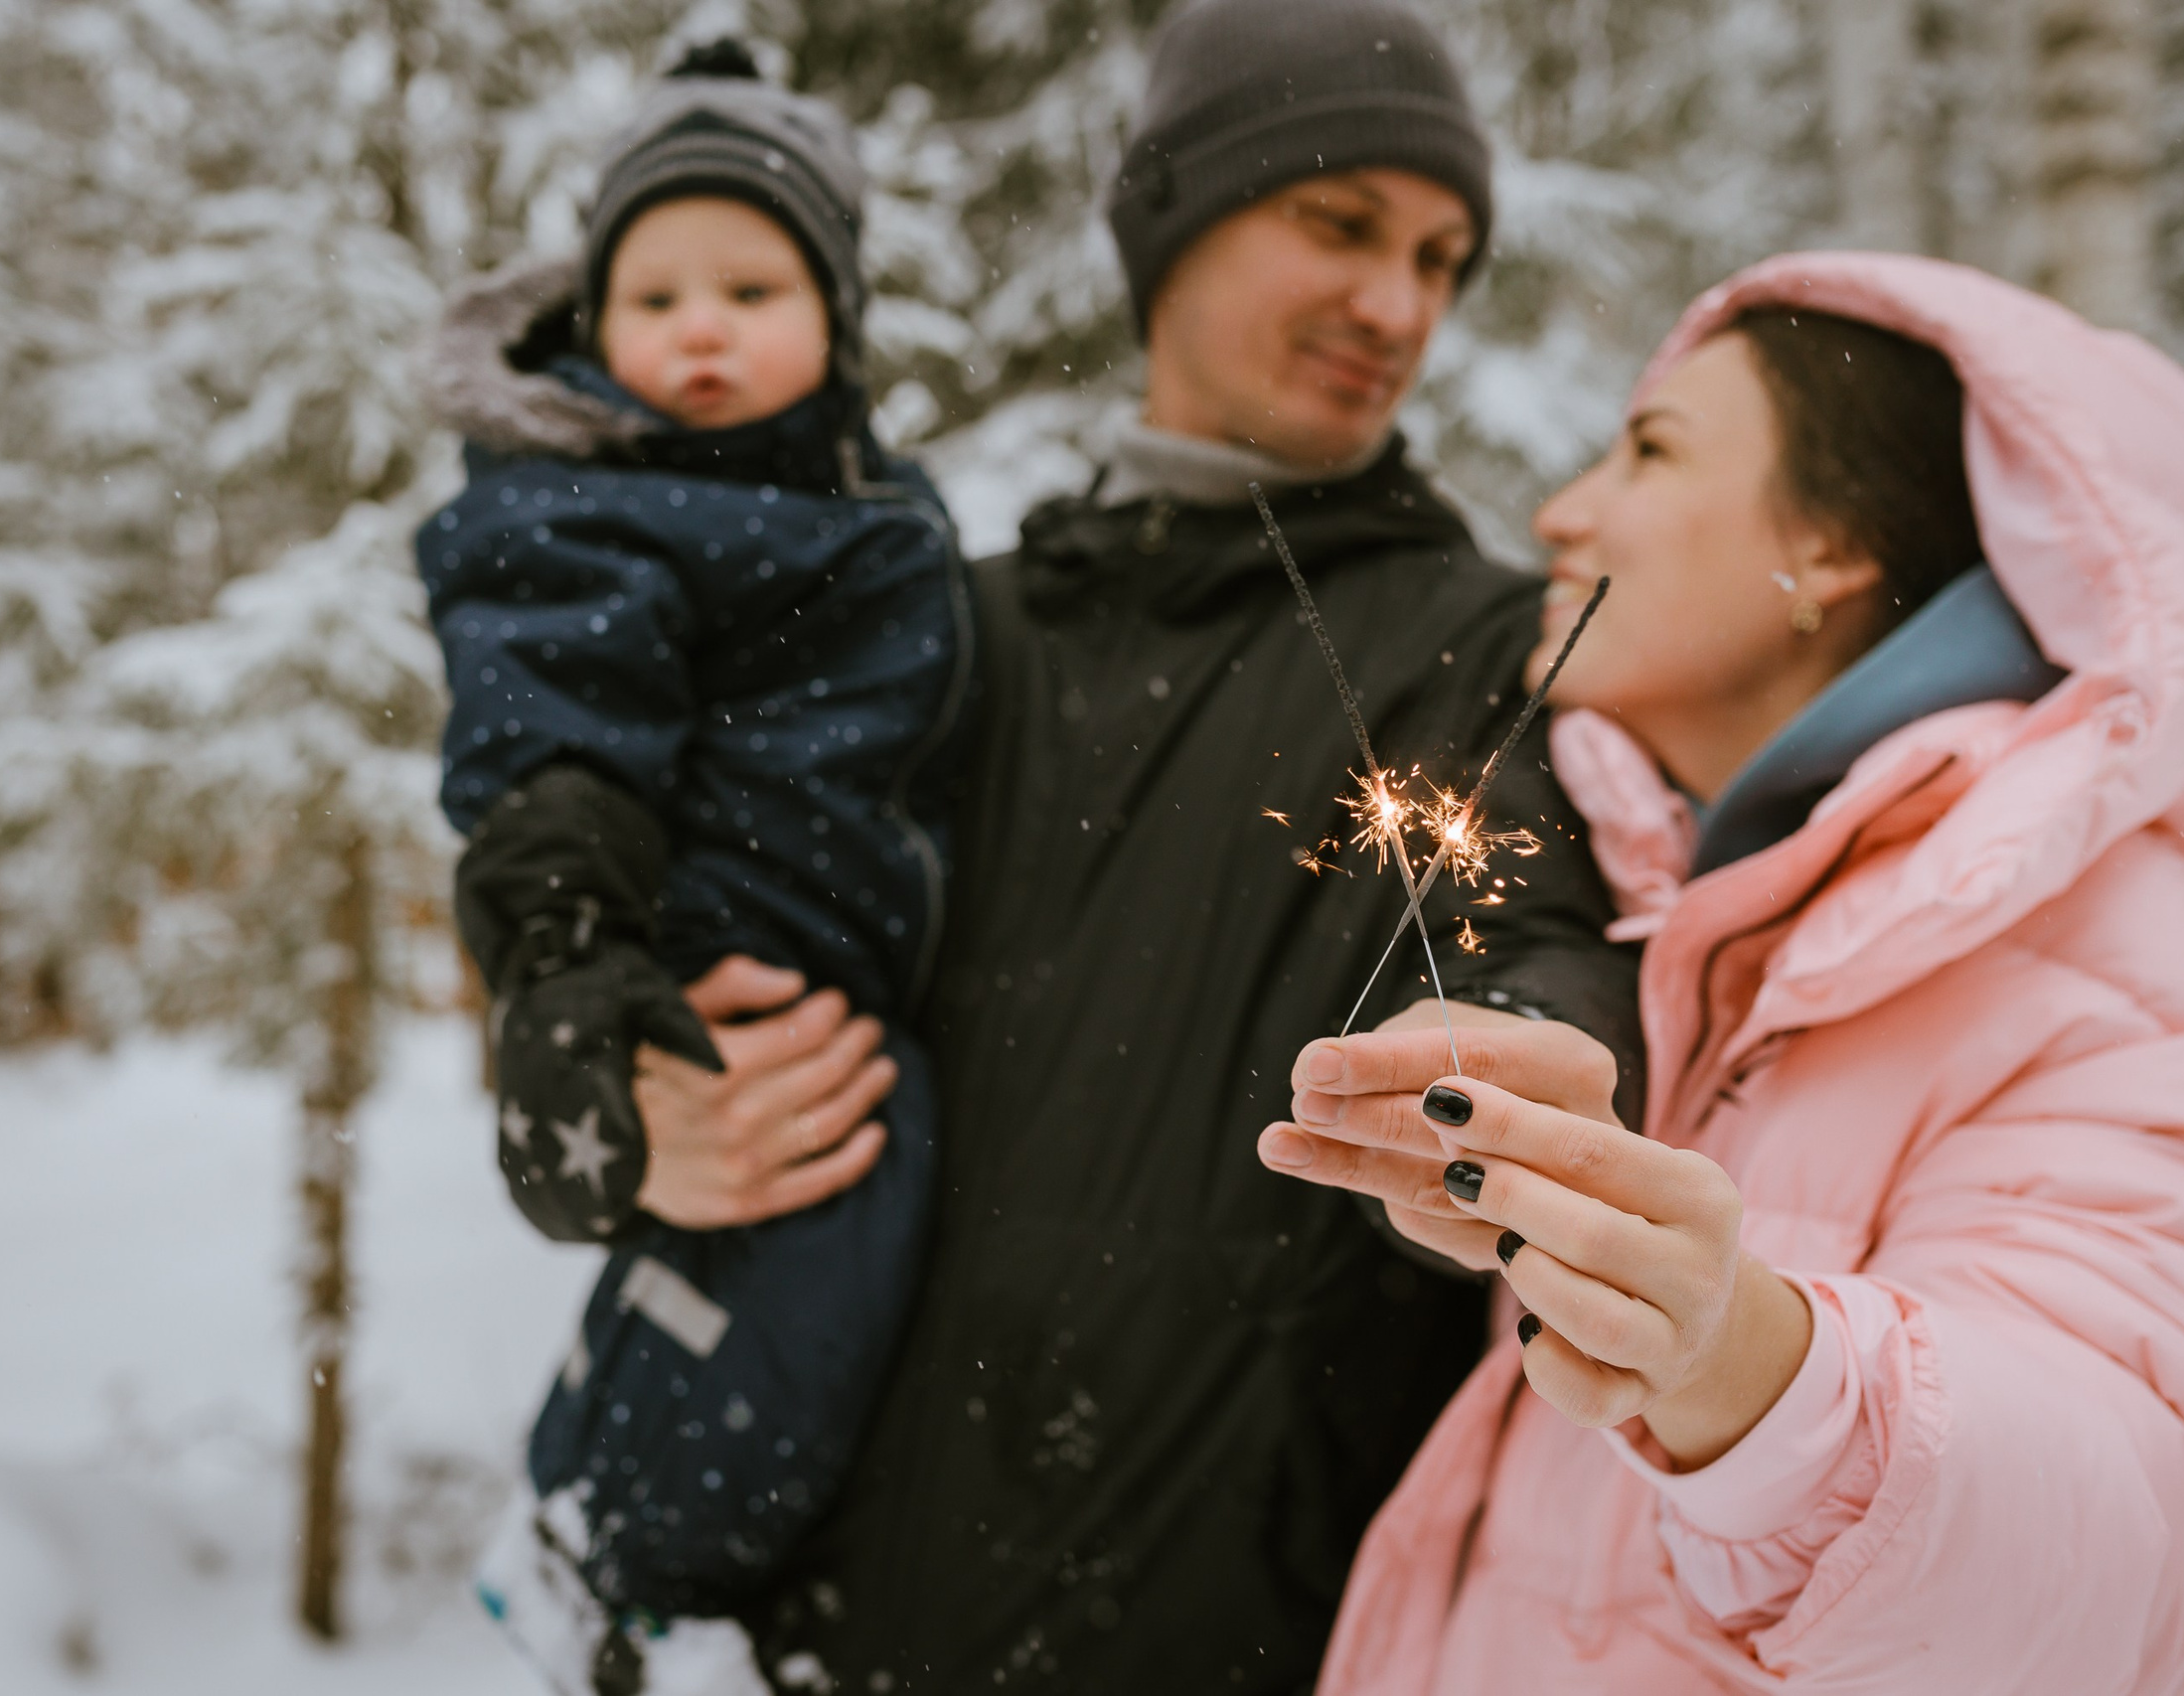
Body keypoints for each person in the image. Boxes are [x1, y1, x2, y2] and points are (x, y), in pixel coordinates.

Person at [697, 2, 1644, 1689]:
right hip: (826, 1627)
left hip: (1215, 1636)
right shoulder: (947, 637)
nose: (1398, 305)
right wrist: (626, 1104)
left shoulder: (1476, 656)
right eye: (1340, 224)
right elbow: (704, 952)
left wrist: (1532, 1062)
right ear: (1175, 222)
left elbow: (1529, 930)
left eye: (1439, 258)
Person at [1265, 251, 2184, 1692]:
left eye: (1649, 451)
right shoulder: (1669, 924)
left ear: (1831, 549)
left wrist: (1763, 1388)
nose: (1560, 512)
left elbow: (2168, 1558)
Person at [412, 40, 971, 1688]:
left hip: (849, 966)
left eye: (750, 284)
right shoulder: (585, 509)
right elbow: (549, 751)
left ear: (839, 317)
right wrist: (570, 954)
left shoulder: (881, 507)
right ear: (593, 321)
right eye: (654, 297)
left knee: (769, 1268)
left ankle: (647, 1532)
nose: (701, 327)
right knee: (796, 1266)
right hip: (718, 966)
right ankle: (628, 1565)